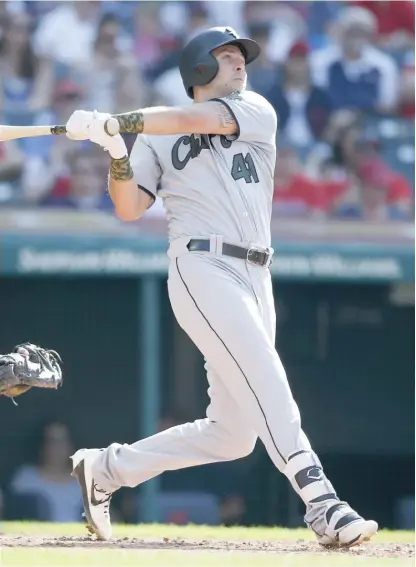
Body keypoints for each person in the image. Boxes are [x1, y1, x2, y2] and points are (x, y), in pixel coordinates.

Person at [65, 26, 378, 547]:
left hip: (257, 272)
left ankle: (106, 469)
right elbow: (128, 206)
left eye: (241, 57)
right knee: (265, 371)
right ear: (198, 68)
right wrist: (114, 149)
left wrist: (121, 119)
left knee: (233, 434)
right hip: (200, 265)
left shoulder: (255, 109)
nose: (241, 65)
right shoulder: (157, 134)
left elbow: (196, 118)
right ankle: (322, 502)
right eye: (228, 56)